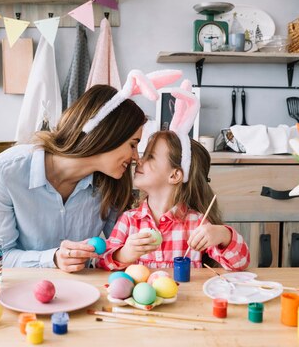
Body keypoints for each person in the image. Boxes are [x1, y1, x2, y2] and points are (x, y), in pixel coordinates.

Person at [0, 70, 182, 272]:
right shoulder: (5, 172)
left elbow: (120, 248)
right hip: (21, 292)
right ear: (107, 136)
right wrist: (53, 259)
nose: (136, 158)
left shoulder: (113, 183)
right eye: (132, 144)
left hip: (87, 292)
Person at [97, 81, 250, 271]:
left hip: (188, 300)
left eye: (150, 157)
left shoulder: (196, 223)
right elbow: (101, 263)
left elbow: (240, 264)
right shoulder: (129, 220)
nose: (139, 160)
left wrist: (223, 235)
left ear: (175, 175)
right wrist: (125, 253)